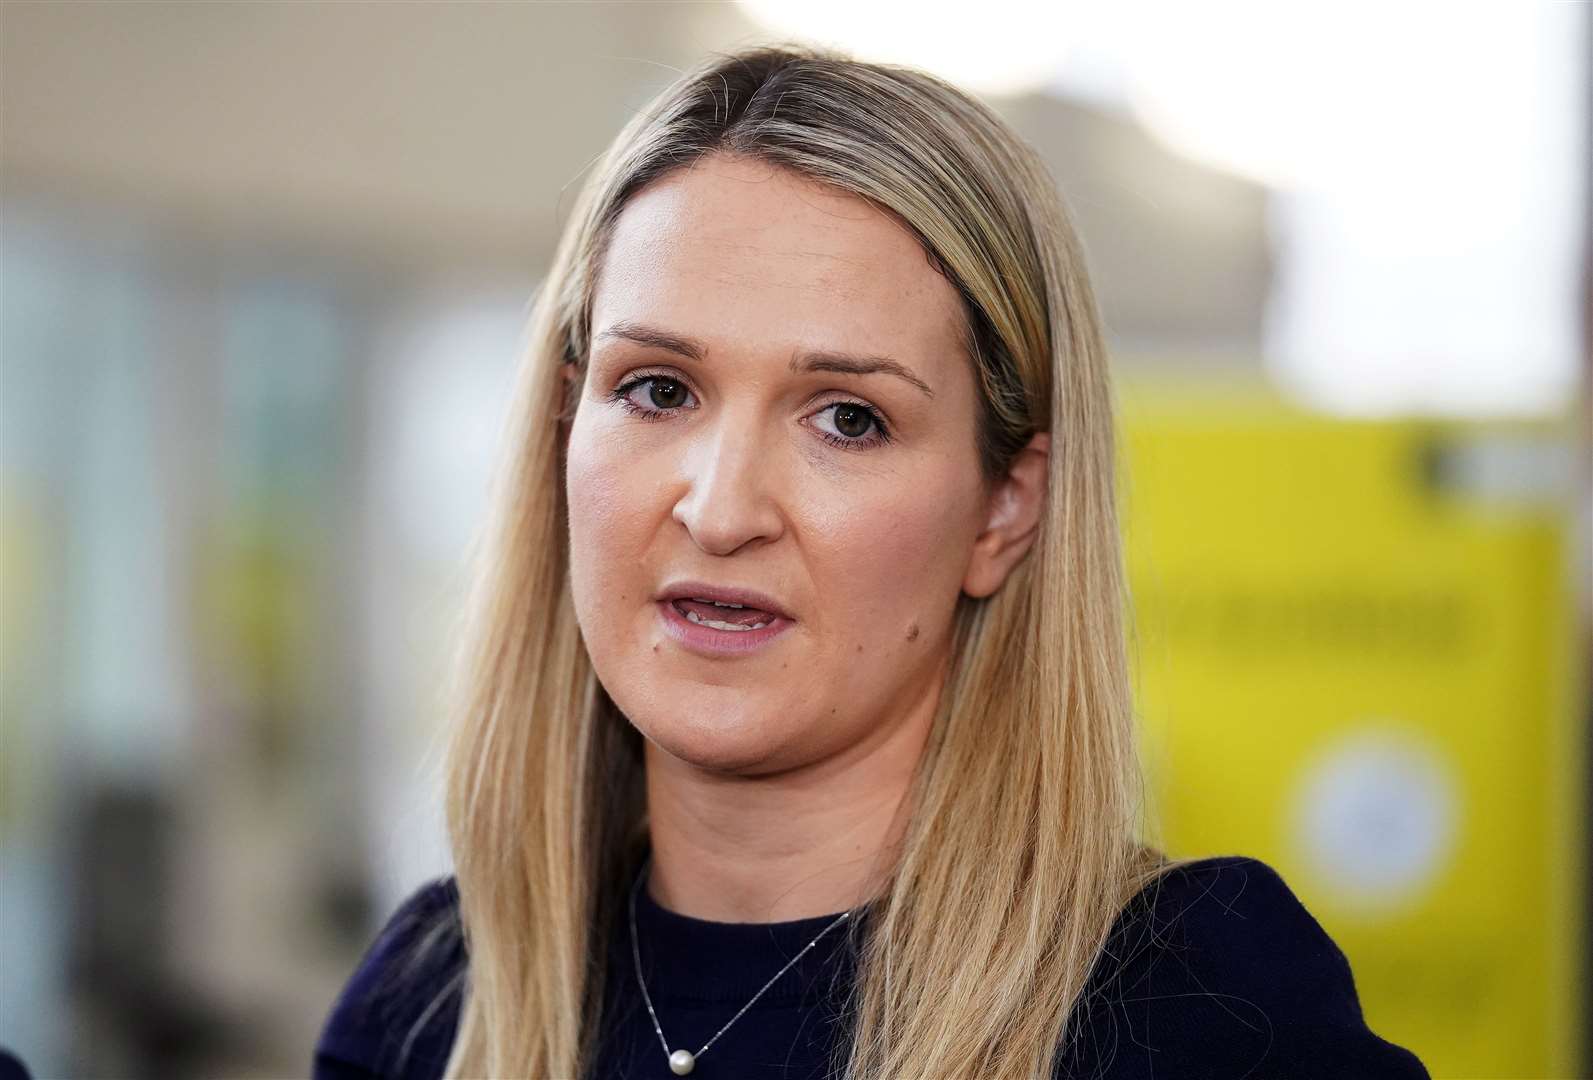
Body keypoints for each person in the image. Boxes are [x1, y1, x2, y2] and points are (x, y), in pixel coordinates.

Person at [314, 43, 1429, 1080]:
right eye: (658, 390)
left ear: (1005, 506)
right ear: (563, 428)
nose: (721, 507)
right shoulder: (429, 1009)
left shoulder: (1195, 1010)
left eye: (846, 418)